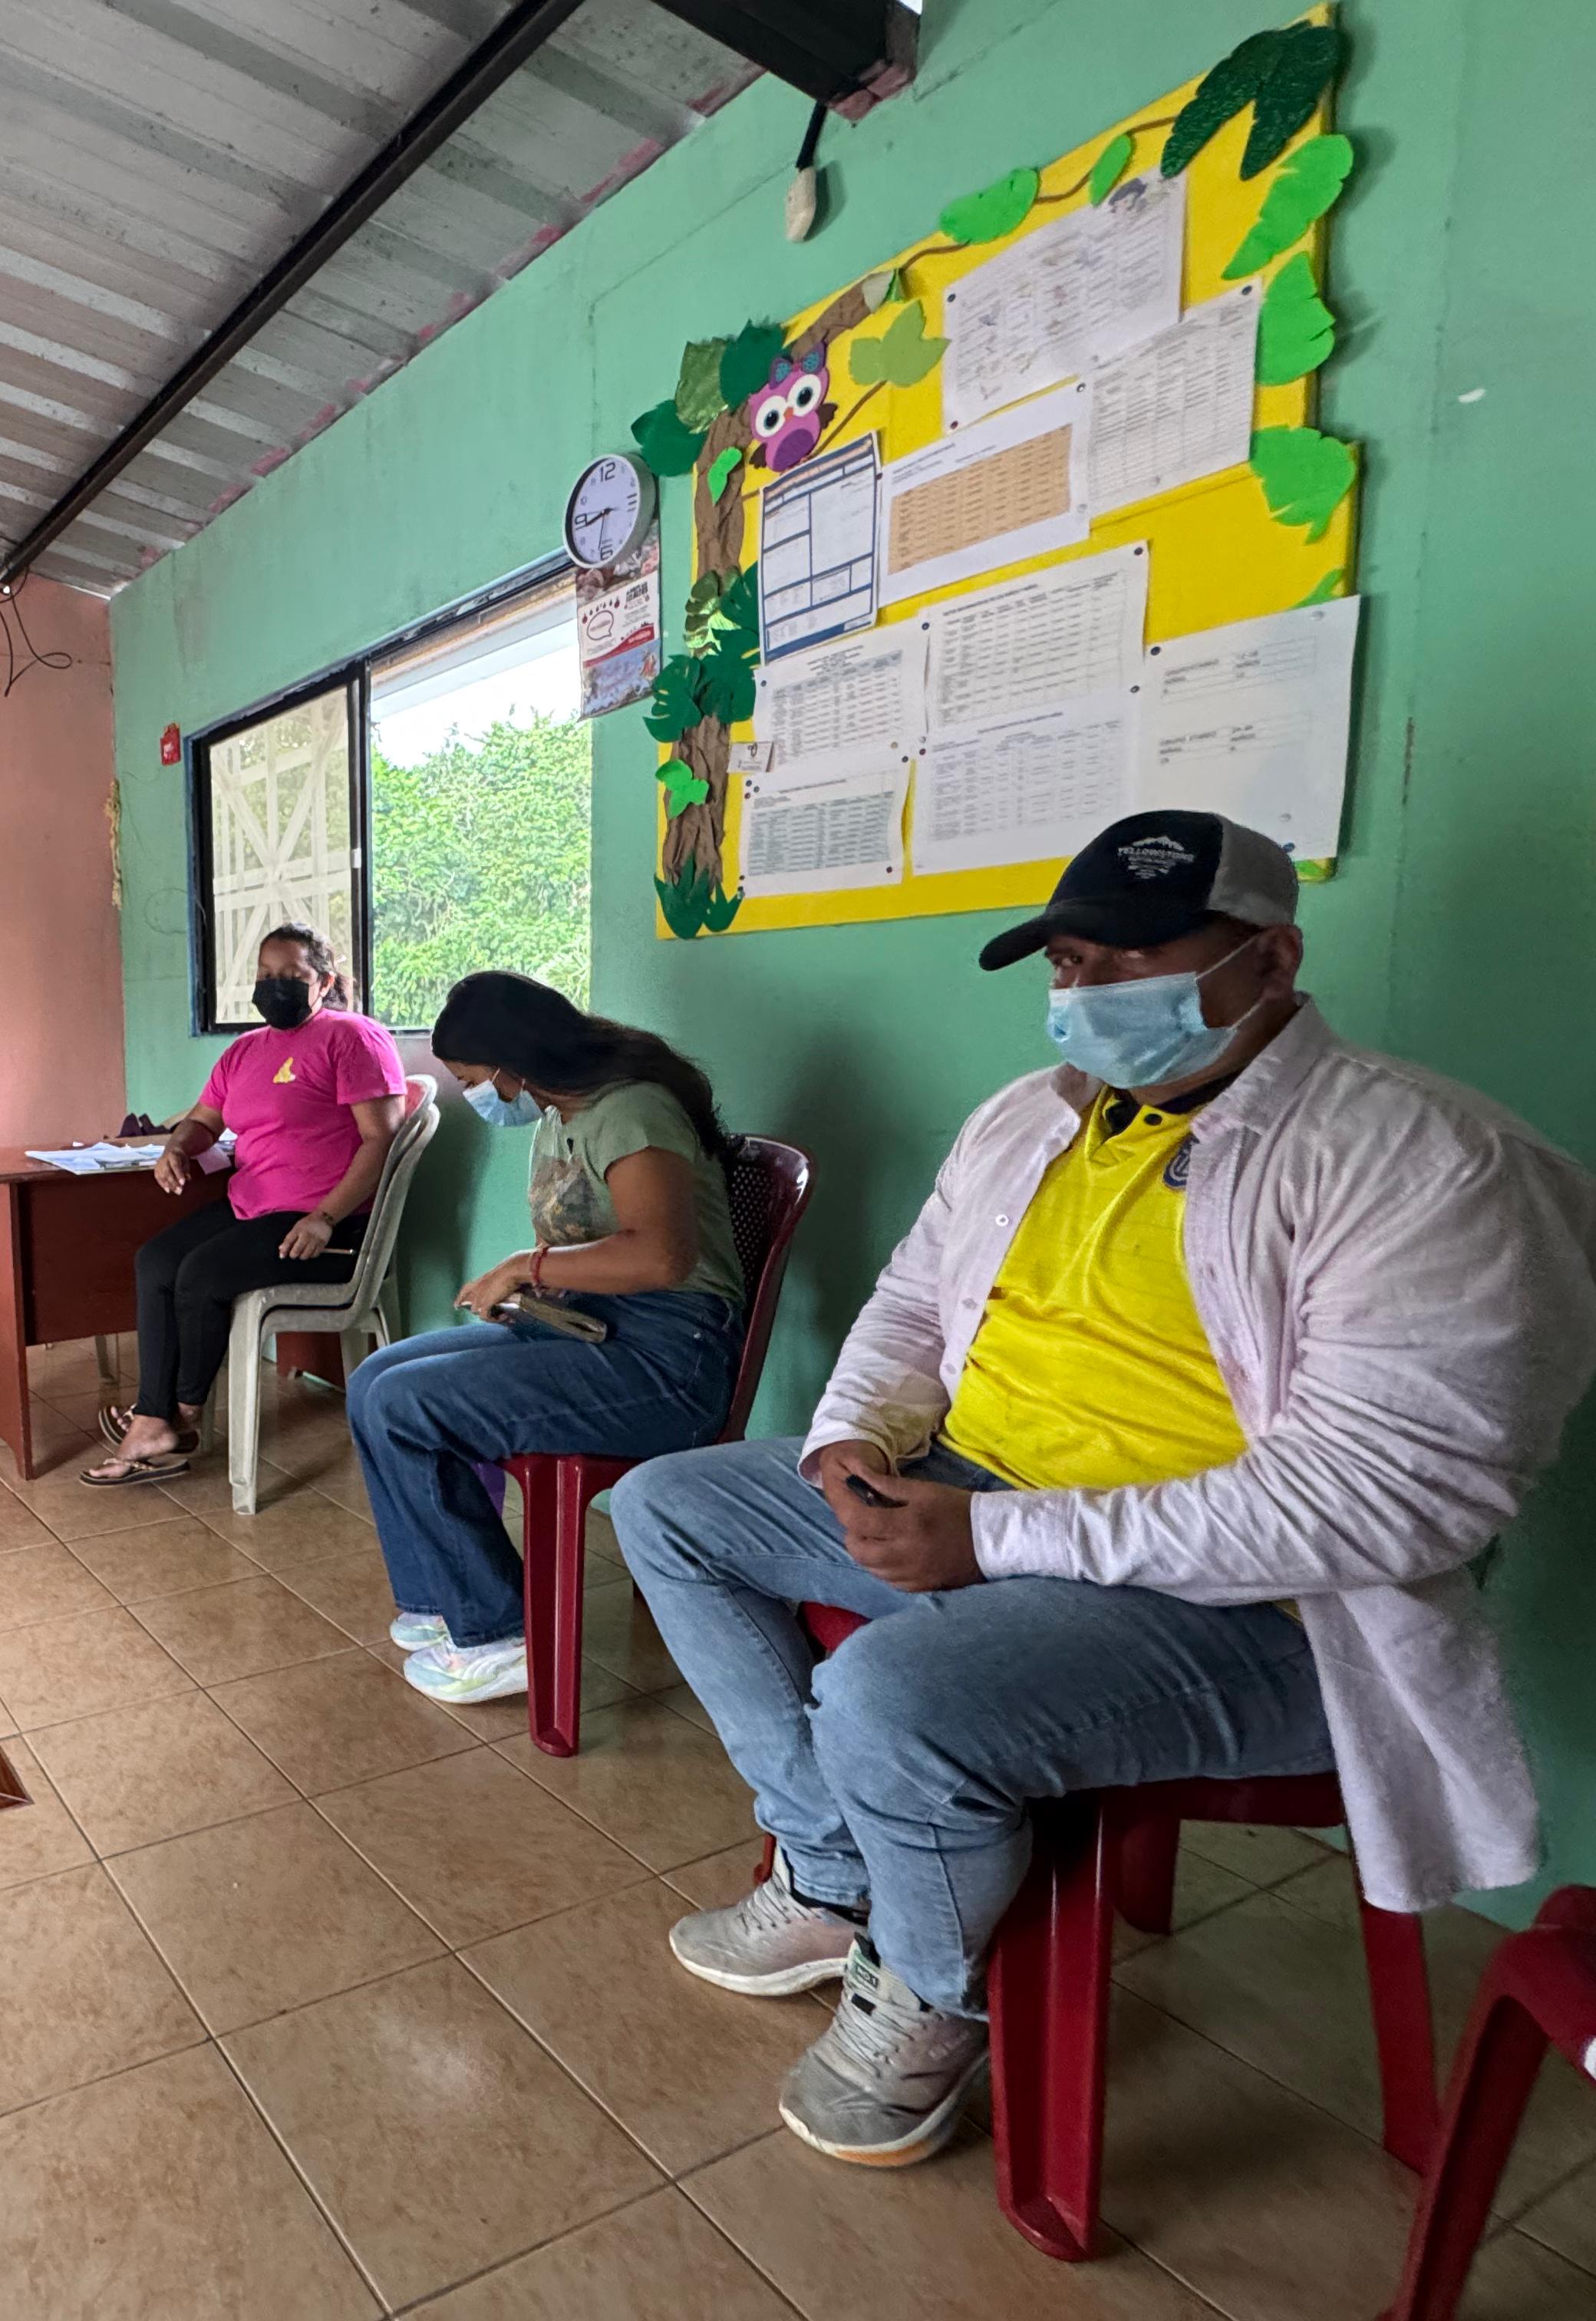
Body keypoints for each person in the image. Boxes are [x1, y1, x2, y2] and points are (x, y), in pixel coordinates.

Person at [615, 811, 1596, 2171]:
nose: (1087, 993)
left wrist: (988, 1538)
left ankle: (930, 1991)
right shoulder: (1032, 1117)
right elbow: (914, 1305)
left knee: (891, 1698)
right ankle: (833, 1870)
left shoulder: (1425, 1163)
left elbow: (1379, 1503)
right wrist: (852, 1434)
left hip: (1255, 1605)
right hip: (974, 1492)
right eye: (1071, 963)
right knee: (671, 1505)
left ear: (1271, 960)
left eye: (1134, 959)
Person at [343, 972, 746, 1704]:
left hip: (667, 1362)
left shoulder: (633, 1112)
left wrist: (523, 1267)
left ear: (515, 1066)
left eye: (475, 1081)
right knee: (377, 1380)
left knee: (408, 1406)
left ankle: (499, 1636)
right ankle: (443, 1596)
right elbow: (590, 1248)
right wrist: (535, 1291)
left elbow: (663, 1257)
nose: (478, 1096)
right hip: (590, 1326)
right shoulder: (561, 1115)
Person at [81, 926, 404, 1486]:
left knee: (202, 1274)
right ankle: (153, 1415)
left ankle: (182, 1415)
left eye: (292, 976)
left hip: (327, 1225)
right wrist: (177, 1148)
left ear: (323, 982)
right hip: (253, 1207)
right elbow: (205, 1122)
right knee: (156, 1261)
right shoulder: (245, 1051)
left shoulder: (352, 1038)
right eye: (265, 976)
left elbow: (382, 1141)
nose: (275, 987)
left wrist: (326, 1217)